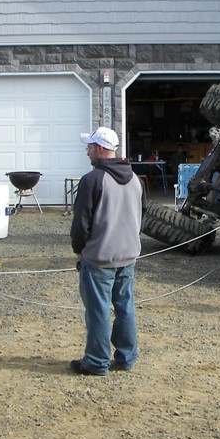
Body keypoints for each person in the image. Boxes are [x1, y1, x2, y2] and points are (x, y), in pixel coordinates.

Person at [69, 126, 147, 375]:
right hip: (128, 255)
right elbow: (142, 215)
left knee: (98, 309)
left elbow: (81, 222)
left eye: (90, 147)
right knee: (125, 306)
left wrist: (78, 249)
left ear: (100, 149)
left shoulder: (92, 180)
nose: (87, 152)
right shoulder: (136, 179)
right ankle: (126, 357)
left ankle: (96, 361)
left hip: (100, 257)